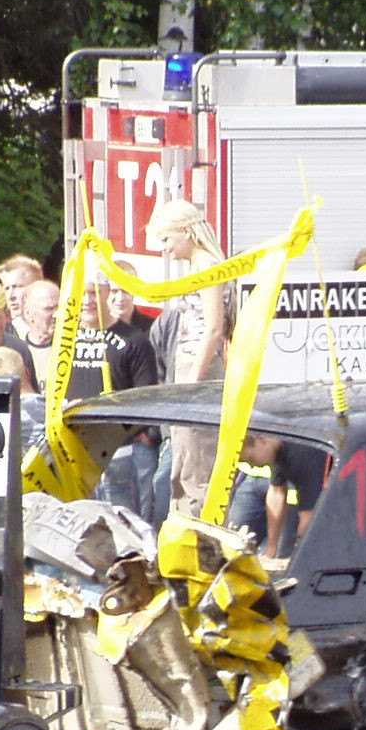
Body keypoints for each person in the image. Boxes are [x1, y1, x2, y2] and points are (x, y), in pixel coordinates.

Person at [146, 199, 231, 516]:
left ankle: (197, 541)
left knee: (196, 463)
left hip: (201, 368)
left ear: (186, 231)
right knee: (181, 461)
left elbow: (213, 328)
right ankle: (179, 533)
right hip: (188, 365)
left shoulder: (208, 265)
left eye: (167, 239)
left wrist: (192, 382)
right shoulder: (198, 266)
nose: (165, 249)